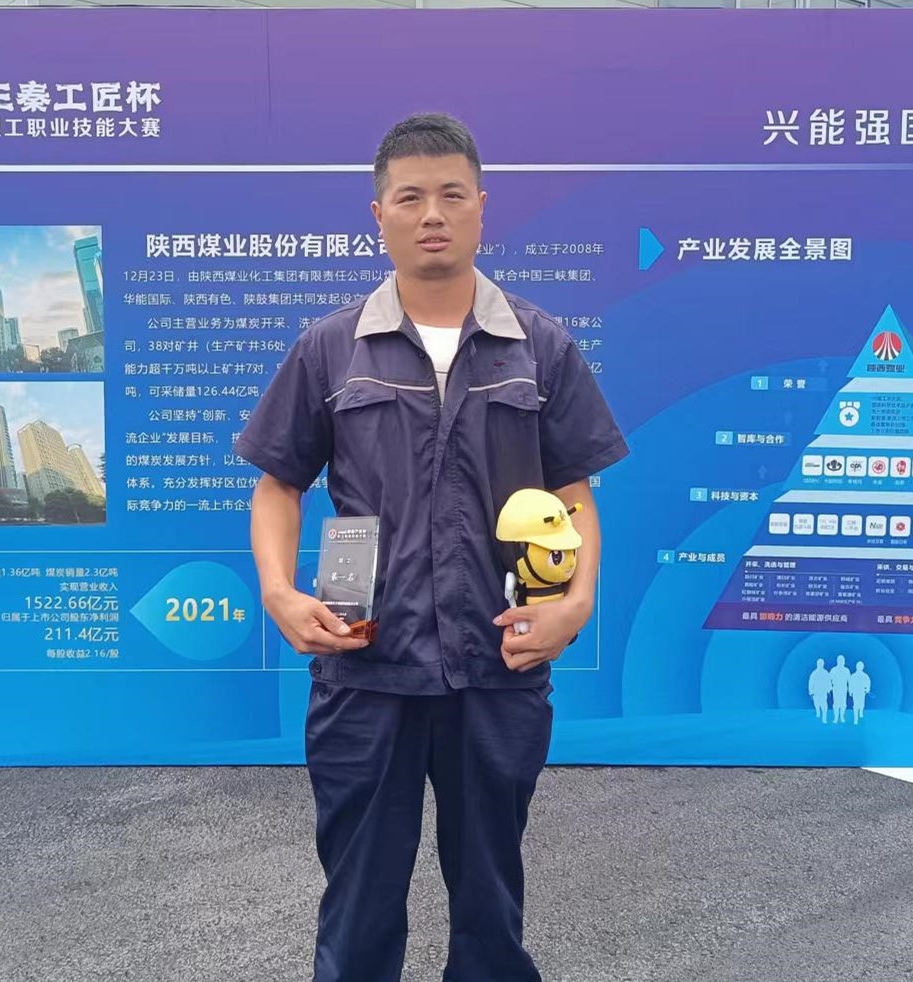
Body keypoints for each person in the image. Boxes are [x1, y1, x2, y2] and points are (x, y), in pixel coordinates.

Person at [236, 113, 629, 982]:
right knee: (359, 900)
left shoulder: (539, 346)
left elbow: (573, 494)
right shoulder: (331, 347)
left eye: (452, 195)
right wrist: (278, 591)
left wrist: (575, 604)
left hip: (498, 659)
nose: (433, 215)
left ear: (483, 206)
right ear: (378, 215)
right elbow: (277, 485)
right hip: (365, 662)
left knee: (491, 900)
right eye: (410, 198)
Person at [829, 654, 851, 724]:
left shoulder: (846, 670)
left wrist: (849, 690)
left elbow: (849, 681)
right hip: (836, 689)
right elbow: (829, 680)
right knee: (836, 704)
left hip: (843, 689)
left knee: (843, 704)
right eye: (840, 660)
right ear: (837, 661)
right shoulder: (833, 670)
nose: (841, 662)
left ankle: (842, 717)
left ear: (844, 661)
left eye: (842, 660)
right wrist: (830, 688)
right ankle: (836, 717)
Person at [808, 657, 830, 722]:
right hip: (816, 692)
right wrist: (811, 692)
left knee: (824, 705)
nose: (820, 664)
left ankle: (824, 718)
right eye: (819, 663)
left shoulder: (825, 673)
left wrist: (829, 690)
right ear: (817, 664)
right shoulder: (814, 673)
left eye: (821, 663)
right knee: (817, 704)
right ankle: (818, 713)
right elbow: (811, 683)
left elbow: (828, 682)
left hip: (823, 692)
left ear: (823, 664)